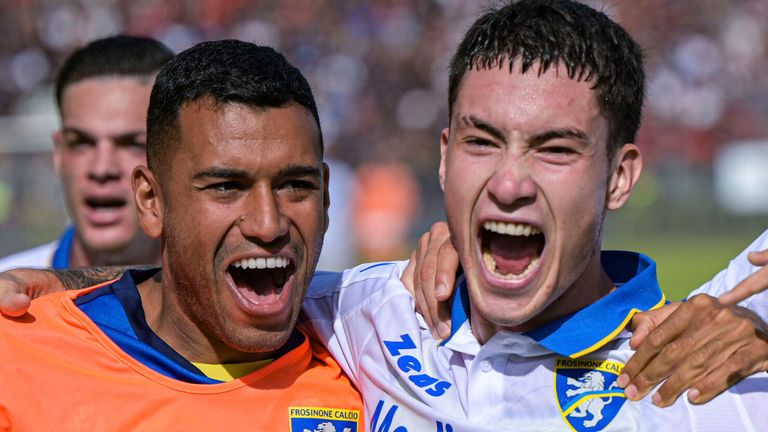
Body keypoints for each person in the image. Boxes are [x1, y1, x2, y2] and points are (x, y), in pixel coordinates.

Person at [296, 1, 768, 430]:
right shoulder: (360, 313)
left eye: (555, 149)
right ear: (445, 158)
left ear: (619, 178)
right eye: (481, 142)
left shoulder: (698, 386)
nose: (508, 185)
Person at [0, 40, 363, 431]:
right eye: (226, 186)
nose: (268, 224)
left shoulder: (372, 361)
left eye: (295, 185)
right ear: (151, 201)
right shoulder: (20, 353)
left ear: (326, 196)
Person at [0, 36, 172, 271]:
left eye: (133, 144)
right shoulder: (6, 288)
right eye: (81, 143)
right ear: (58, 155)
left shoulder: (221, 291)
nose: (102, 168)